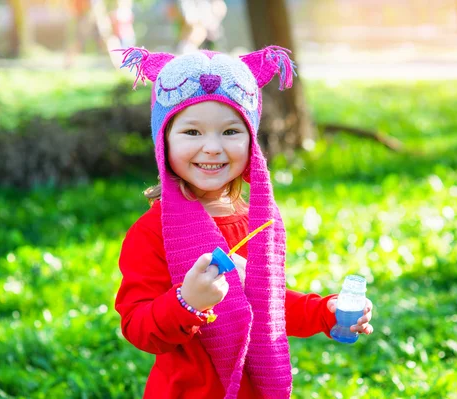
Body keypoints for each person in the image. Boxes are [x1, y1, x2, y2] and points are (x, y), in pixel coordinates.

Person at [114, 45, 374, 399]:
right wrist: (186, 302)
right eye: (192, 132)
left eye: (230, 132)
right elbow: (138, 328)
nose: (212, 148)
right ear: (164, 142)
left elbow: (267, 306)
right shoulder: (152, 232)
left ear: (251, 141)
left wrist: (324, 312)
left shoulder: (256, 223)